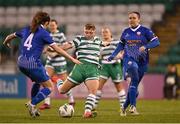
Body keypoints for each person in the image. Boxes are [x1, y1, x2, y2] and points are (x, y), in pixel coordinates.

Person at [3, 11, 81, 118]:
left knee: (38, 81)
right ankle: (32, 103)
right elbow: (57, 49)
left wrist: (6, 41)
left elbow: (11, 35)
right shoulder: (44, 33)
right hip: (33, 63)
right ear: (47, 22)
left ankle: (33, 108)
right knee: (49, 87)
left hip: (21, 62)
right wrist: (72, 58)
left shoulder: (27, 29)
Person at [108, 12, 160, 116]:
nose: (131, 20)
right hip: (129, 59)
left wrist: (146, 46)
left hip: (143, 61)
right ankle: (133, 107)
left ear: (138, 19)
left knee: (134, 86)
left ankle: (123, 108)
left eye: (133, 18)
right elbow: (120, 45)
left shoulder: (145, 31)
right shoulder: (126, 32)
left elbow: (156, 42)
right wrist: (113, 55)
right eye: (130, 18)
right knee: (134, 77)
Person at [55, 23, 103, 118]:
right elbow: (68, 45)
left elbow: (104, 43)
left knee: (93, 91)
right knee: (61, 91)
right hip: (80, 68)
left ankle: (87, 112)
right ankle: (58, 80)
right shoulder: (79, 39)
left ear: (94, 32)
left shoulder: (98, 40)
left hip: (93, 68)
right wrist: (55, 48)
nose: (88, 34)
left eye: (90, 32)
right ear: (84, 31)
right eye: (86, 32)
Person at [39, 19, 75, 110]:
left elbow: (64, 47)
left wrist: (54, 53)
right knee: (45, 79)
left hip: (59, 61)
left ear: (57, 25)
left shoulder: (61, 35)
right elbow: (48, 47)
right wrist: (46, 50)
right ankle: (47, 103)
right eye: (50, 25)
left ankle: (71, 99)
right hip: (50, 61)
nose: (52, 27)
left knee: (65, 82)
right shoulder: (48, 35)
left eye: (53, 25)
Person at [94, 27, 126, 110]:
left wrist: (119, 56)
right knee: (98, 86)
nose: (104, 33)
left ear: (110, 33)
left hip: (115, 66)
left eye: (106, 32)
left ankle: (123, 107)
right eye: (103, 32)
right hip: (104, 66)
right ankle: (94, 106)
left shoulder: (116, 42)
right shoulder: (101, 44)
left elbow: (123, 52)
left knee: (118, 86)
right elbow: (100, 56)